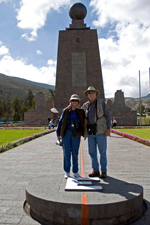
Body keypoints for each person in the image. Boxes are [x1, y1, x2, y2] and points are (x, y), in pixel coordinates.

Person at [82, 86, 111, 178]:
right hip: (90, 132)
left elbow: (108, 115)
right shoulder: (86, 105)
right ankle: (95, 170)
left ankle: (104, 171)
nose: (91, 94)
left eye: (92, 92)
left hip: (101, 131)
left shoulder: (101, 103)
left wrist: (108, 128)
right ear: (87, 95)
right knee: (92, 152)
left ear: (96, 94)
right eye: (89, 93)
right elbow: (79, 112)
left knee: (102, 152)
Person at [56, 94, 85, 179]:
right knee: (66, 153)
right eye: (73, 101)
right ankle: (67, 171)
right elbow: (60, 122)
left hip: (76, 134)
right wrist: (58, 134)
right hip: (67, 133)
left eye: (76, 101)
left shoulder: (80, 111)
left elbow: (84, 122)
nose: (74, 102)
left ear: (78, 102)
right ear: (70, 102)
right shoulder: (66, 111)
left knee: (75, 153)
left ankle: (75, 171)